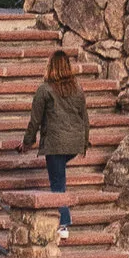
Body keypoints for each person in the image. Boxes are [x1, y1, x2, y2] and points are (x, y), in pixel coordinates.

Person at [21, 50, 90, 234]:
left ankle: (64, 222)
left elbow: (35, 120)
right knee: (59, 174)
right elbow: (85, 117)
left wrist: (27, 143)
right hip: (74, 143)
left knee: (57, 182)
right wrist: (84, 144)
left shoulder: (45, 89)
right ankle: (63, 218)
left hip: (56, 143)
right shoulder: (77, 88)